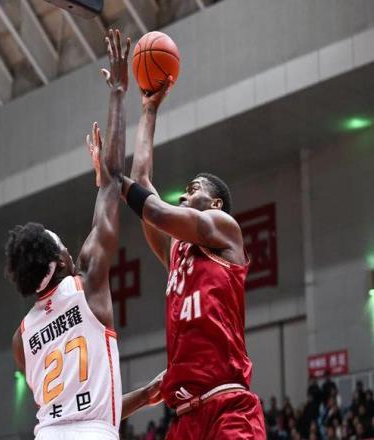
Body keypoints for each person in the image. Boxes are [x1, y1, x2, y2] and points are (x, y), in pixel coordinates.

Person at [5, 29, 160, 440]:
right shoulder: (88, 282)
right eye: (63, 245)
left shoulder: (21, 339)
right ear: (60, 261)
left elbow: (76, 408)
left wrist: (145, 396)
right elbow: (115, 180)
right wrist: (118, 93)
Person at [117, 76, 266, 438]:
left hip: (227, 406)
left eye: (192, 190)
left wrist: (113, 180)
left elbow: (154, 210)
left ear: (215, 203)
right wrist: (148, 111)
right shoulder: (177, 253)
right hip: (184, 418)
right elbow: (142, 184)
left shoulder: (225, 229)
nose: (183, 196)